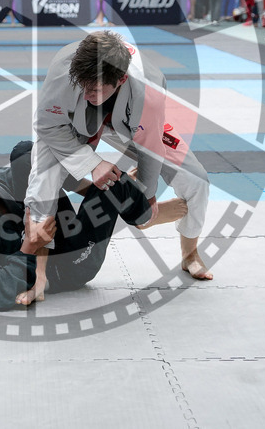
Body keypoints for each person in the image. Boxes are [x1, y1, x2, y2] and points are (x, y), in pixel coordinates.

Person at [21, 31, 213, 304]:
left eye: (95, 89)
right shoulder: (64, 71)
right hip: (75, 124)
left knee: (197, 180)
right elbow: (47, 126)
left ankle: (190, 254)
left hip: (133, 123)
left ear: (121, 79)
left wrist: (146, 198)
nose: (87, 93)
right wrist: (93, 163)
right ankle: (36, 274)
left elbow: (150, 148)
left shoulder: (149, 90)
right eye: (83, 85)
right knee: (43, 181)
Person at [0, 141, 184, 310]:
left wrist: (93, 189)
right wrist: (30, 247)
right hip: (67, 265)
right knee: (117, 186)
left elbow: (37, 169)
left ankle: (139, 214)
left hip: (59, 228)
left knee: (27, 154)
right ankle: (137, 209)